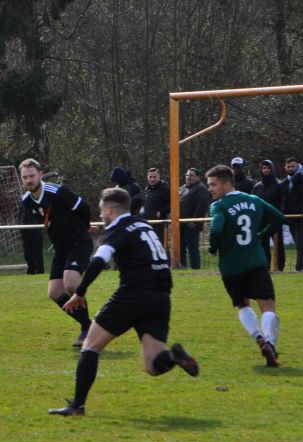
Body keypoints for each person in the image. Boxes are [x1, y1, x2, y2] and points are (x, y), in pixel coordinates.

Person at [48, 187, 199, 416]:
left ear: (110, 210)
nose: (101, 215)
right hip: (160, 297)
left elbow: (99, 261)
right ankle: (174, 357)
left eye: (101, 211)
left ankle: (77, 405)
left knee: (90, 346)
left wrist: (80, 292)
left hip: (133, 295)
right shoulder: (143, 224)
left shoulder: (117, 229)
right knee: (152, 365)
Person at [206, 164, 286, 368]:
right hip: (255, 262)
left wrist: (213, 247)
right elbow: (279, 218)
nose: (210, 189)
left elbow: (216, 229)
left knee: (243, 305)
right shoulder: (254, 200)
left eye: (213, 184)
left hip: (231, 267)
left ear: (227, 184)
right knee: (267, 305)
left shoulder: (219, 206)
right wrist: (261, 235)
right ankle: (270, 342)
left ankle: (259, 338)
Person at [20, 159, 94, 347]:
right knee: (54, 293)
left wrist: (84, 228)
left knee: (71, 284)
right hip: (61, 248)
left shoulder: (58, 192)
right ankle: (88, 324)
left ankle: (88, 331)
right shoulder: (26, 201)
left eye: (32, 176)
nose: (29, 180)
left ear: (40, 175)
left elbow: (83, 208)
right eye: (25, 177)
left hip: (79, 242)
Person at [252, 160, 285, 271]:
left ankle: (280, 268)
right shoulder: (257, 187)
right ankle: (265, 267)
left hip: (275, 220)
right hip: (262, 221)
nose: (266, 170)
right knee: (263, 244)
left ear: (272, 169)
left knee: (278, 244)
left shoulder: (279, 184)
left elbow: (283, 202)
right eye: (264, 168)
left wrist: (279, 214)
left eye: (268, 168)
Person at [178, 168, 210, 269]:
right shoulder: (183, 188)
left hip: (192, 225)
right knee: (181, 248)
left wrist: (194, 221)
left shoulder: (201, 189)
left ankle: (195, 269)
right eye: (187, 175)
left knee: (193, 249)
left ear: (198, 177)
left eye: (191, 175)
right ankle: (182, 268)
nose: (189, 177)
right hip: (181, 223)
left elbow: (202, 206)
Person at [142, 167, 170, 246]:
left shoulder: (165, 188)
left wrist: (161, 212)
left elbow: (171, 204)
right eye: (150, 177)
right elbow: (144, 203)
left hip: (159, 223)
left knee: (161, 245)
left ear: (159, 177)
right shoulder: (147, 189)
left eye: (154, 177)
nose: (152, 179)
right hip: (148, 221)